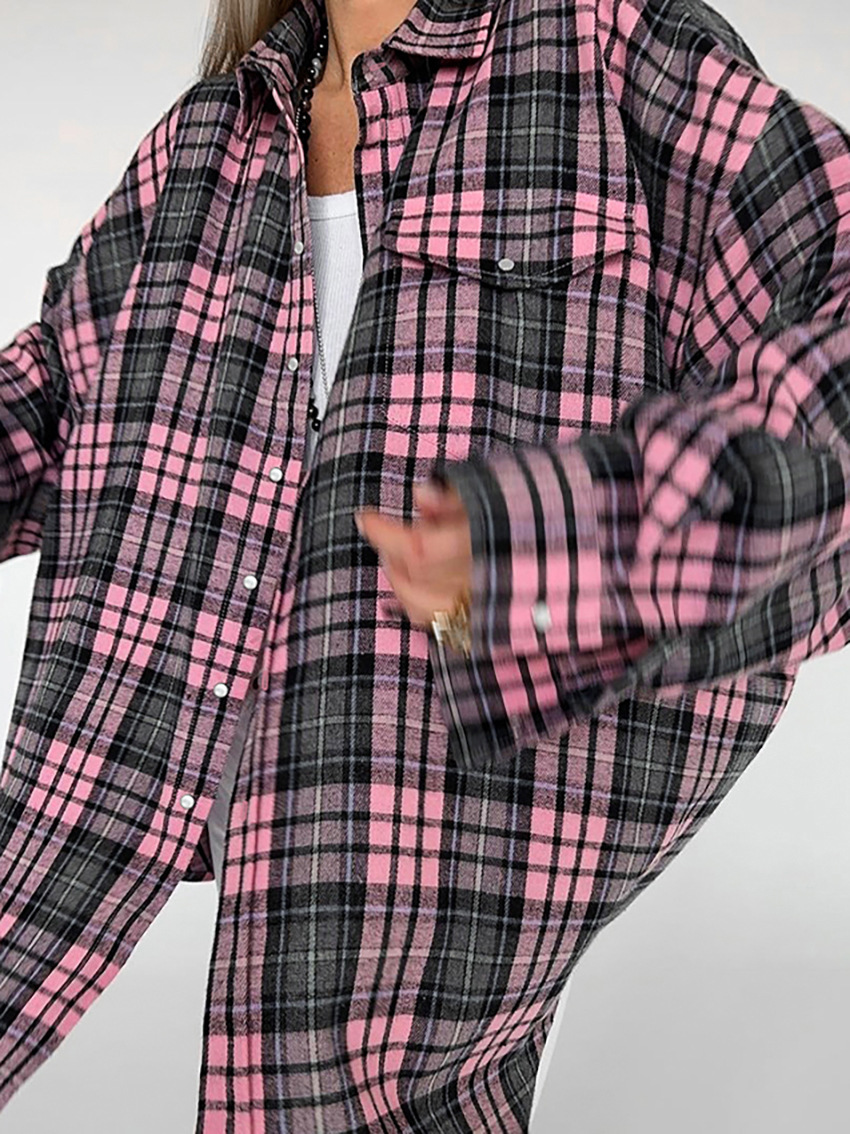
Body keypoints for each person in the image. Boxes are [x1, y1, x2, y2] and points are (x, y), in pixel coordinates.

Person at [1, 0, 849, 1129]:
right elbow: (54, 400)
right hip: (123, 862)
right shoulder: (204, 141)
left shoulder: (613, 55)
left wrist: (564, 546)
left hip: (436, 917)